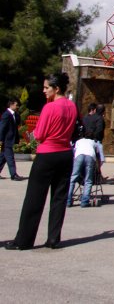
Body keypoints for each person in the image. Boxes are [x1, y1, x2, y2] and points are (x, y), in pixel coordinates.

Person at [6, 73, 78, 250]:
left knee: (34, 198)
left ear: (57, 89)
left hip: (47, 154)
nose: (44, 91)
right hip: (66, 154)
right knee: (59, 197)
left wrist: (38, 134)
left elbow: (39, 134)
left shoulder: (49, 108)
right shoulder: (72, 107)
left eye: (47, 88)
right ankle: (53, 238)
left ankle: (23, 240)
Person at [66, 133, 105, 207]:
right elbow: (98, 154)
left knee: (73, 178)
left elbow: (74, 151)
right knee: (88, 180)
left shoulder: (78, 141)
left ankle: (68, 200)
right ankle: (84, 201)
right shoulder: (94, 142)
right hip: (90, 156)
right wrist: (98, 166)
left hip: (79, 156)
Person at [0, 96, 22, 181]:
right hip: (5, 141)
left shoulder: (14, 114)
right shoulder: (6, 115)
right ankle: (14, 175)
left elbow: (18, 122)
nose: (18, 107)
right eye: (16, 105)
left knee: (3, 157)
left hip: (8, 141)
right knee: (10, 158)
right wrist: (0, 140)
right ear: (11, 104)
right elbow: (2, 128)